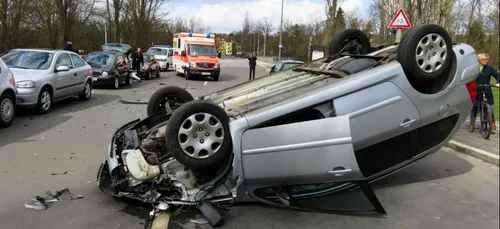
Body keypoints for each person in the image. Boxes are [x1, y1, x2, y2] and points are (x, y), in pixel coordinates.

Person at [468, 53, 500, 133]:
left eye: (487, 59)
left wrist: (498, 82)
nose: (486, 61)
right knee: (474, 108)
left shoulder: (489, 68)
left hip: (487, 90)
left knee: (491, 108)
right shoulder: (473, 68)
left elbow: (497, 75)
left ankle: (492, 123)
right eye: (483, 59)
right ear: (479, 60)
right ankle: (472, 124)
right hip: (476, 91)